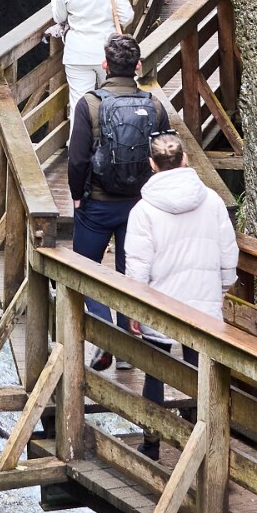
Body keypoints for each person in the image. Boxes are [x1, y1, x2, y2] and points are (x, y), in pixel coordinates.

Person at [122, 133, 239, 451]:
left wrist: (133, 307)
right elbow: (228, 252)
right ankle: (202, 445)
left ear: (152, 164)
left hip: (160, 303)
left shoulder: (143, 210)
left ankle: (151, 444)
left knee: (154, 373)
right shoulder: (212, 201)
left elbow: (138, 266)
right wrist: (223, 286)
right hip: (203, 303)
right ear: (184, 159)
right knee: (200, 372)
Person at [66, 33, 167, 324]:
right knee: (129, 274)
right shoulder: (154, 105)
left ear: (105, 65)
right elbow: (165, 156)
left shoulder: (89, 104)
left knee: (85, 271)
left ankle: (103, 328)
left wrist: (77, 195)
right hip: (139, 205)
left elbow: (77, 159)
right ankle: (125, 337)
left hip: (97, 203)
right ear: (138, 66)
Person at [51, 0, 133, 102]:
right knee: (112, 101)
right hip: (109, 52)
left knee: (80, 103)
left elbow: (59, 17)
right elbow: (127, 17)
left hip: (77, 53)